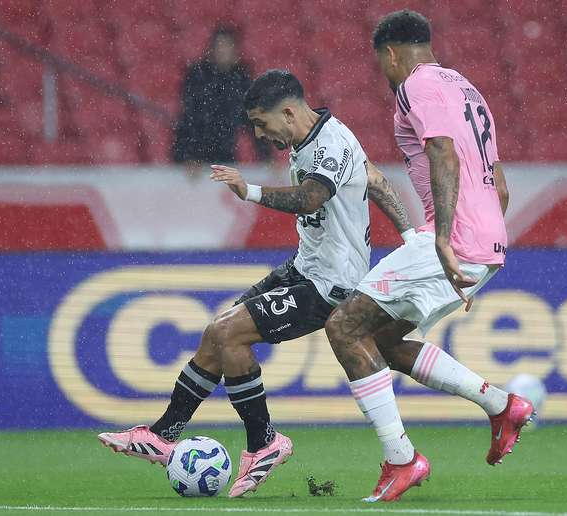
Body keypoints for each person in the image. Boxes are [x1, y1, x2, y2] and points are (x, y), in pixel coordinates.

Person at [99, 69, 416, 498]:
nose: (258, 133)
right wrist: (411, 235)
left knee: (231, 334)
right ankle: (162, 435)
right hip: (305, 267)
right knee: (217, 332)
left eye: (260, 123)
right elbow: (375, 179)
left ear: (287, 112)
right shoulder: (312, 139)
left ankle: (264, 442)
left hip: (331, 286)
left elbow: (309, 198)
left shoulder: (329, 145)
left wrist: (248, 190)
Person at [323, 10, 535, 502]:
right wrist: (475, 258)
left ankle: (402, 460)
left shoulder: (416, 86)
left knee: (344, 327)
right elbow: (499, 186)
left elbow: (441, 151)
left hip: (451, 239)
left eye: (383, 65)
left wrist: (443, 240)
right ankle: (503, 406)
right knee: (381, 339)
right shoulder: (468, 91)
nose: (385, 75)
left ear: (391, 54)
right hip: (486, 245)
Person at [171, 26, 270, 166]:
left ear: (235, 51)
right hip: (194, 154)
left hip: (224, 153)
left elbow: (253, 120)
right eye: (219, 45)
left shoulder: (241, 79)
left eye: (227, 45)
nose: (223, 50)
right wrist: (189, 156)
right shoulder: (198, 76)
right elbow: (189, 118)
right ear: (211, 50)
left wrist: (266, 157)